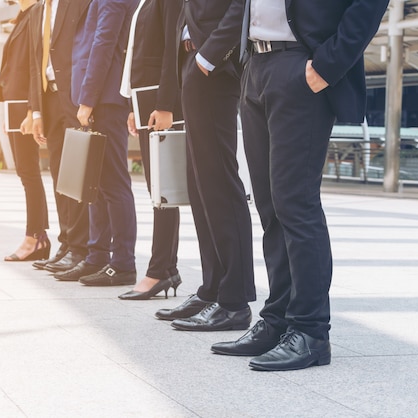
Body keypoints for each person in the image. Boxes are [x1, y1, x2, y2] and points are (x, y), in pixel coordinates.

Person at [211, 0, 389, 371]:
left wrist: (327, 65)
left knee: (296, 204)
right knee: (271, 207)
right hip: (256, 66)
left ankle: (310, 332)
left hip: (301, 65)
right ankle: (278, 320)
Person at [154, 0, 256, 331]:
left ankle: (234, 301)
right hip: (195, 64)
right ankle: (213, 289)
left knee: (218, 183)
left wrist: (208, 56)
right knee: (200, 187)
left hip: (215, 65)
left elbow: (241, 6)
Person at [53, 0, 139, 286]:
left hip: (105, 99)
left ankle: (123, 263)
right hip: (99, 98)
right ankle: (97, 256)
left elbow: (103, 44)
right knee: (96, 185)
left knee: (113, 184)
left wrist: (87, 99)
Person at [117, 0, 184, 300]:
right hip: (145, 102)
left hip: (160, 104)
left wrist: (165, 104)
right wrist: (133, 106)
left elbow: (173, 48)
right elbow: (138, 55)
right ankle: (166, 268)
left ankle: (159, 270)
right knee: (158, 190)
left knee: (162, 190)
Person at [27, 0, 92, 274]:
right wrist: (36, 111)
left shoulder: (78, 3)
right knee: (59, 175)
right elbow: (34, 63)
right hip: (49, 100)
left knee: (77, 176)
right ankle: (66, 243)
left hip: (75, 98)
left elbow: (87, 48)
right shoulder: (37, 11)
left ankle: (80, 247)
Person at [0, 0, 51, 262]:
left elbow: (34, 64)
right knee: (25, 172)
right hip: (15, 106)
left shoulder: (35, 14)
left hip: (25, 106)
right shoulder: (23, 16)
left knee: (28, 172)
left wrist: (32, 110)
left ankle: (35, 237)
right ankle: (37, 236)